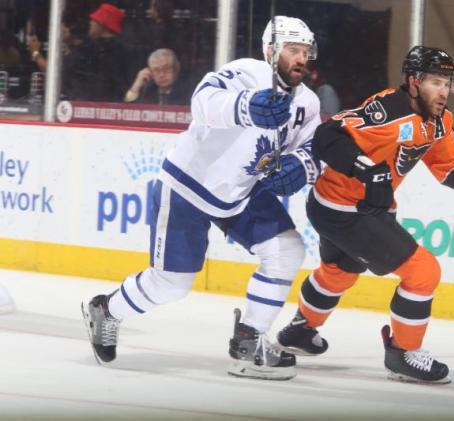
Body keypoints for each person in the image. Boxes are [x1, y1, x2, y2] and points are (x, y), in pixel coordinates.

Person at [81, 16, 321, 381]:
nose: (301, 58)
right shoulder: (247, 73)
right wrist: (245, 107)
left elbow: (312, 148)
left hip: (242, 191)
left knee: (286, 250)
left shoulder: (308, 102)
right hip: (188, 186)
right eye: (292, 50)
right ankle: (107, 310)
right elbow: (203, 101)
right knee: (171, 285)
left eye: (305, 51)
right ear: (271, 51)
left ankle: (250, 339)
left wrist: (302, 166)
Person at [275, 46, 454, 384]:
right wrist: (366, 169)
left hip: (350, 206)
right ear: (413, 81)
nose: (443, 91)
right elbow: (328, 136)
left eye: (447, 83)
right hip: (345, 210)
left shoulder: (438, 120)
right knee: (423, 272)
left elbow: (451, 166)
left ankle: (299, 331)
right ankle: (402, 353)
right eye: (435, 82)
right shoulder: (386, 111)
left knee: (340, 270)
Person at [65, 3, 128, 102]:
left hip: (84, 107)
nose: (90, 23)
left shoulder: (88, 49)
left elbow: (63, 70)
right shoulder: (125, 50)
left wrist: (36, 54)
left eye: (94, 20)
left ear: (102, 23)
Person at [124, 48, 189, 105]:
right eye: (156, 70)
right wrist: (136, 87)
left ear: (177, 68)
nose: (161, 74)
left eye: (166, 69)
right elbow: (126, 111)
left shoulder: (189, 91)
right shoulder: (147, 91)